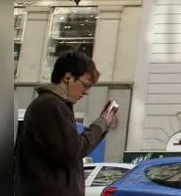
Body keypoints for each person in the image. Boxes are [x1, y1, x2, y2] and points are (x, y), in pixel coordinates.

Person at [15, 50, 117, 196]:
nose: (86, 92)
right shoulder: (50, 105)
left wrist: (102, 125)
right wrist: (100, 125)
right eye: (85, 85)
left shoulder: (54, 105)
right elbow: (73, 151)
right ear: (68, 77)